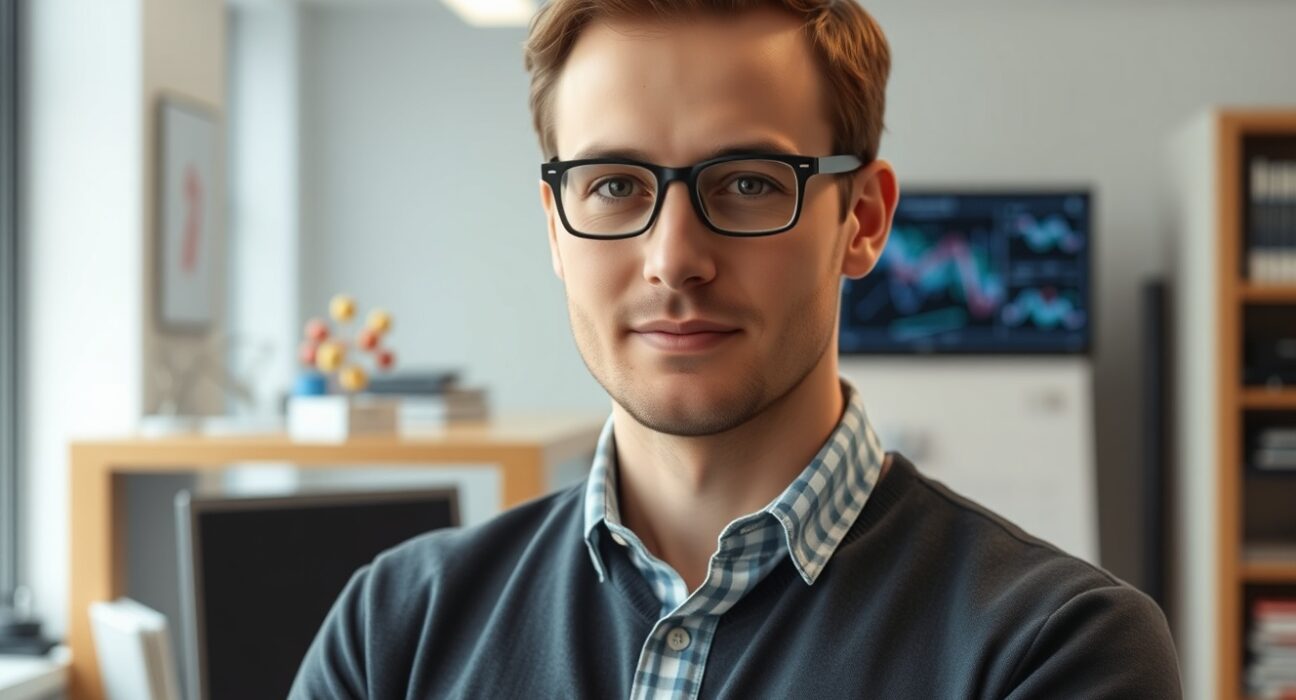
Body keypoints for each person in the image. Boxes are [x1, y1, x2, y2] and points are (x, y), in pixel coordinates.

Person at [291, 1, 1183, 697]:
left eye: (751, 183)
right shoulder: (395, 630)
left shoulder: (1053, 649)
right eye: (612, 185)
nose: (674, 259)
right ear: (557, 230)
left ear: (862, 221)